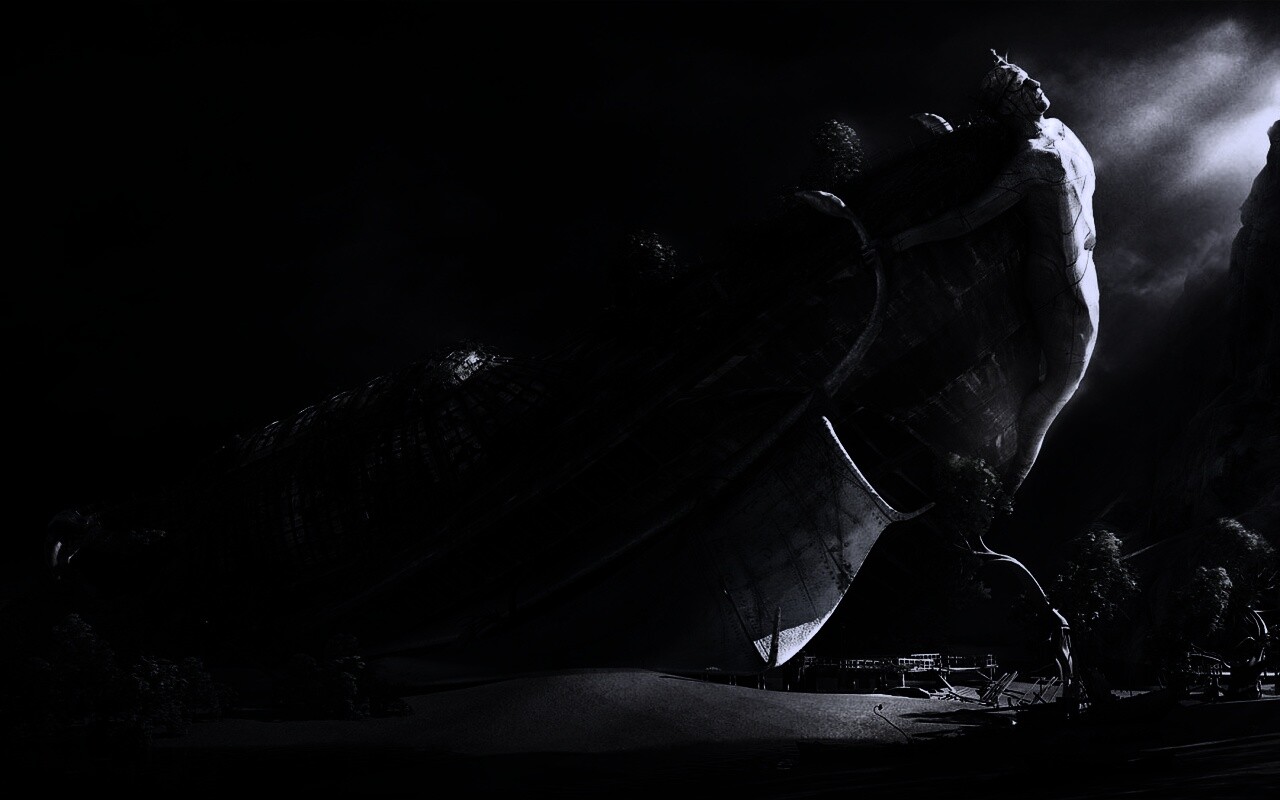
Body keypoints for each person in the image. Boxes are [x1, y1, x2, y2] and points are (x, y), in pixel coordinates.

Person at [888, 51, 1100, 494]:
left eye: (1028, 78)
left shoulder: (1060, 130)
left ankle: (1004, 488)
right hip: (1060, 285)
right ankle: (1009, 487)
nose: (1035, 85)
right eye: (1022, 85)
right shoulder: (1031, 160)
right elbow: (970, 216)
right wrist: (909, 237)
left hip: (1083, 274)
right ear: (1008, 104)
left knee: (1063, 383)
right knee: (1058, 390)